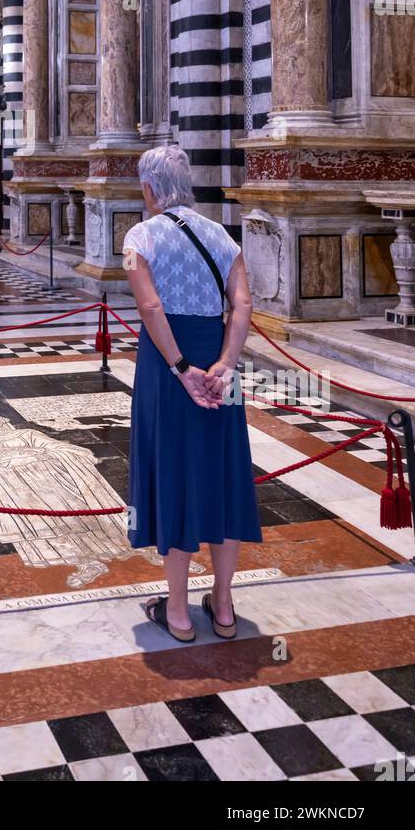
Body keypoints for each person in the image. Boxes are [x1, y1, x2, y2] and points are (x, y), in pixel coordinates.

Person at [122, 145, 260, 645]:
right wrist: (225, 364)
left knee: (174, 473)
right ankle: (223, 608)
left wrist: (182, 369)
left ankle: (178, 614)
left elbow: (151, 305)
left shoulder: (140, 236)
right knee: (222, 475)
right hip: (220, 366)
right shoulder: (222, 235)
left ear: (150, 188)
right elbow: (242, 303)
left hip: (169, 366)